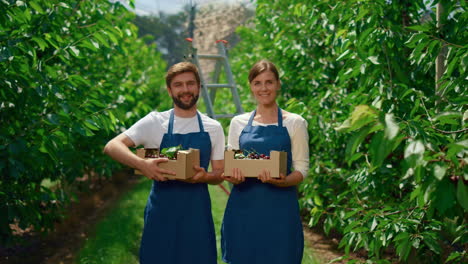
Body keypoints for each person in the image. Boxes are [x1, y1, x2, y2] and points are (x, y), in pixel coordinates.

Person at [103, 62, 224, 264]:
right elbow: (112, 146)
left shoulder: (213, 127)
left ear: (199, 87)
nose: (185, 90)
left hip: (197, 216)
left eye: (190, 84)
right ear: (169, 90)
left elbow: (220, 173)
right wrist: (142, 165)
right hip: (162, 213)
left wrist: (206, 176)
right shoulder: (154, 122)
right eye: (178, 85)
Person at [221, 59, 309, 264]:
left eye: (269, 82)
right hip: (243, 209)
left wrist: (283, 181)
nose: (264, 88)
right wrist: (232, 177)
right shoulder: (238, 123)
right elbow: (234, 163)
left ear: (278, 84)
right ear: (251, 87)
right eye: (257, 83)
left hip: (280, 210)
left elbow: (302, 169)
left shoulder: (295, 123)